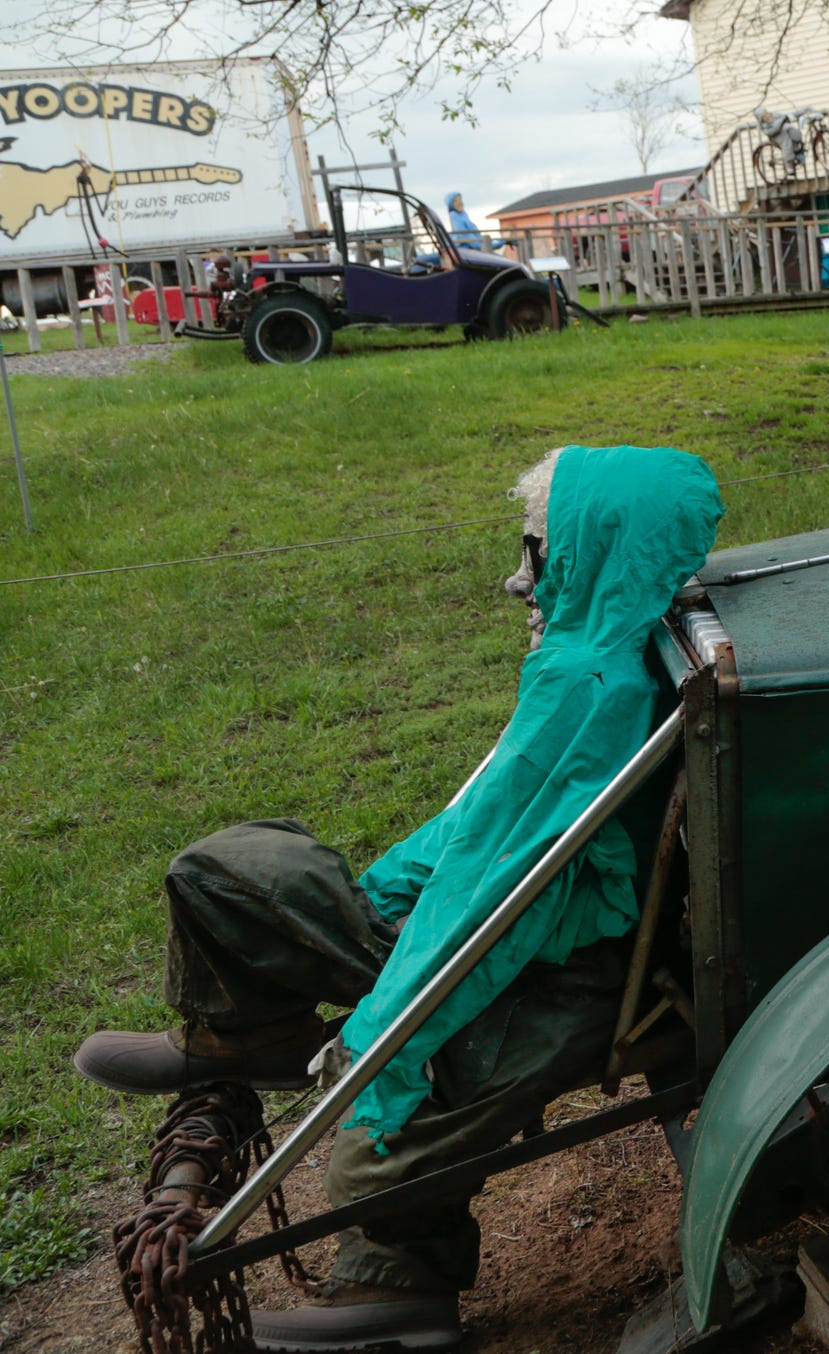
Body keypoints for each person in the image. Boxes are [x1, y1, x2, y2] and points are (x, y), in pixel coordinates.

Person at [73, 445, 725, 1351]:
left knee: (227, 876)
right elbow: (476, 839)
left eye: (538, 552)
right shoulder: (595, 654)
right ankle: (245, 1036)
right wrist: (384, 903)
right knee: (259, 862)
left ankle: (387, 1281)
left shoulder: (587, 683)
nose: (516, 577)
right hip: (528, 929)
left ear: (589, 549)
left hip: (560, 963)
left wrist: (387, 1032)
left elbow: (508, 897)